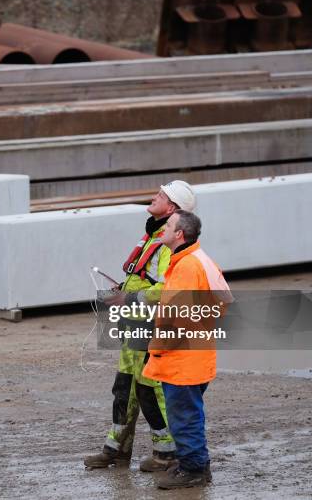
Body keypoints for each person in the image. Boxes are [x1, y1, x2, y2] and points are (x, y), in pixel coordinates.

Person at [84, 181, 196, 471]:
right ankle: (117, 449)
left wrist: (128, 296)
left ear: (171, 207)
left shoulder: (169, 241)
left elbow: (165, 289)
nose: (153, 197)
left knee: (150, 389)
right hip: (134, 323)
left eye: (159, 195)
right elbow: (146, 279)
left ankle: (166, 454)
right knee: (124, 388)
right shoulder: (154, 235)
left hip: (150, 326)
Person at [143, 210, 231, 489]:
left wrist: (157, 348)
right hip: (195, 356)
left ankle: (192, 470)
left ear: (179, 234)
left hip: (182, 359)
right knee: (190, 413)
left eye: (168, 225)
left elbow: (175, 317)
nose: (163, 229)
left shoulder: (185, 266)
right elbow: (223, 300)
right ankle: (196, 465)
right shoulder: (198, 260)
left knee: (184, 417)